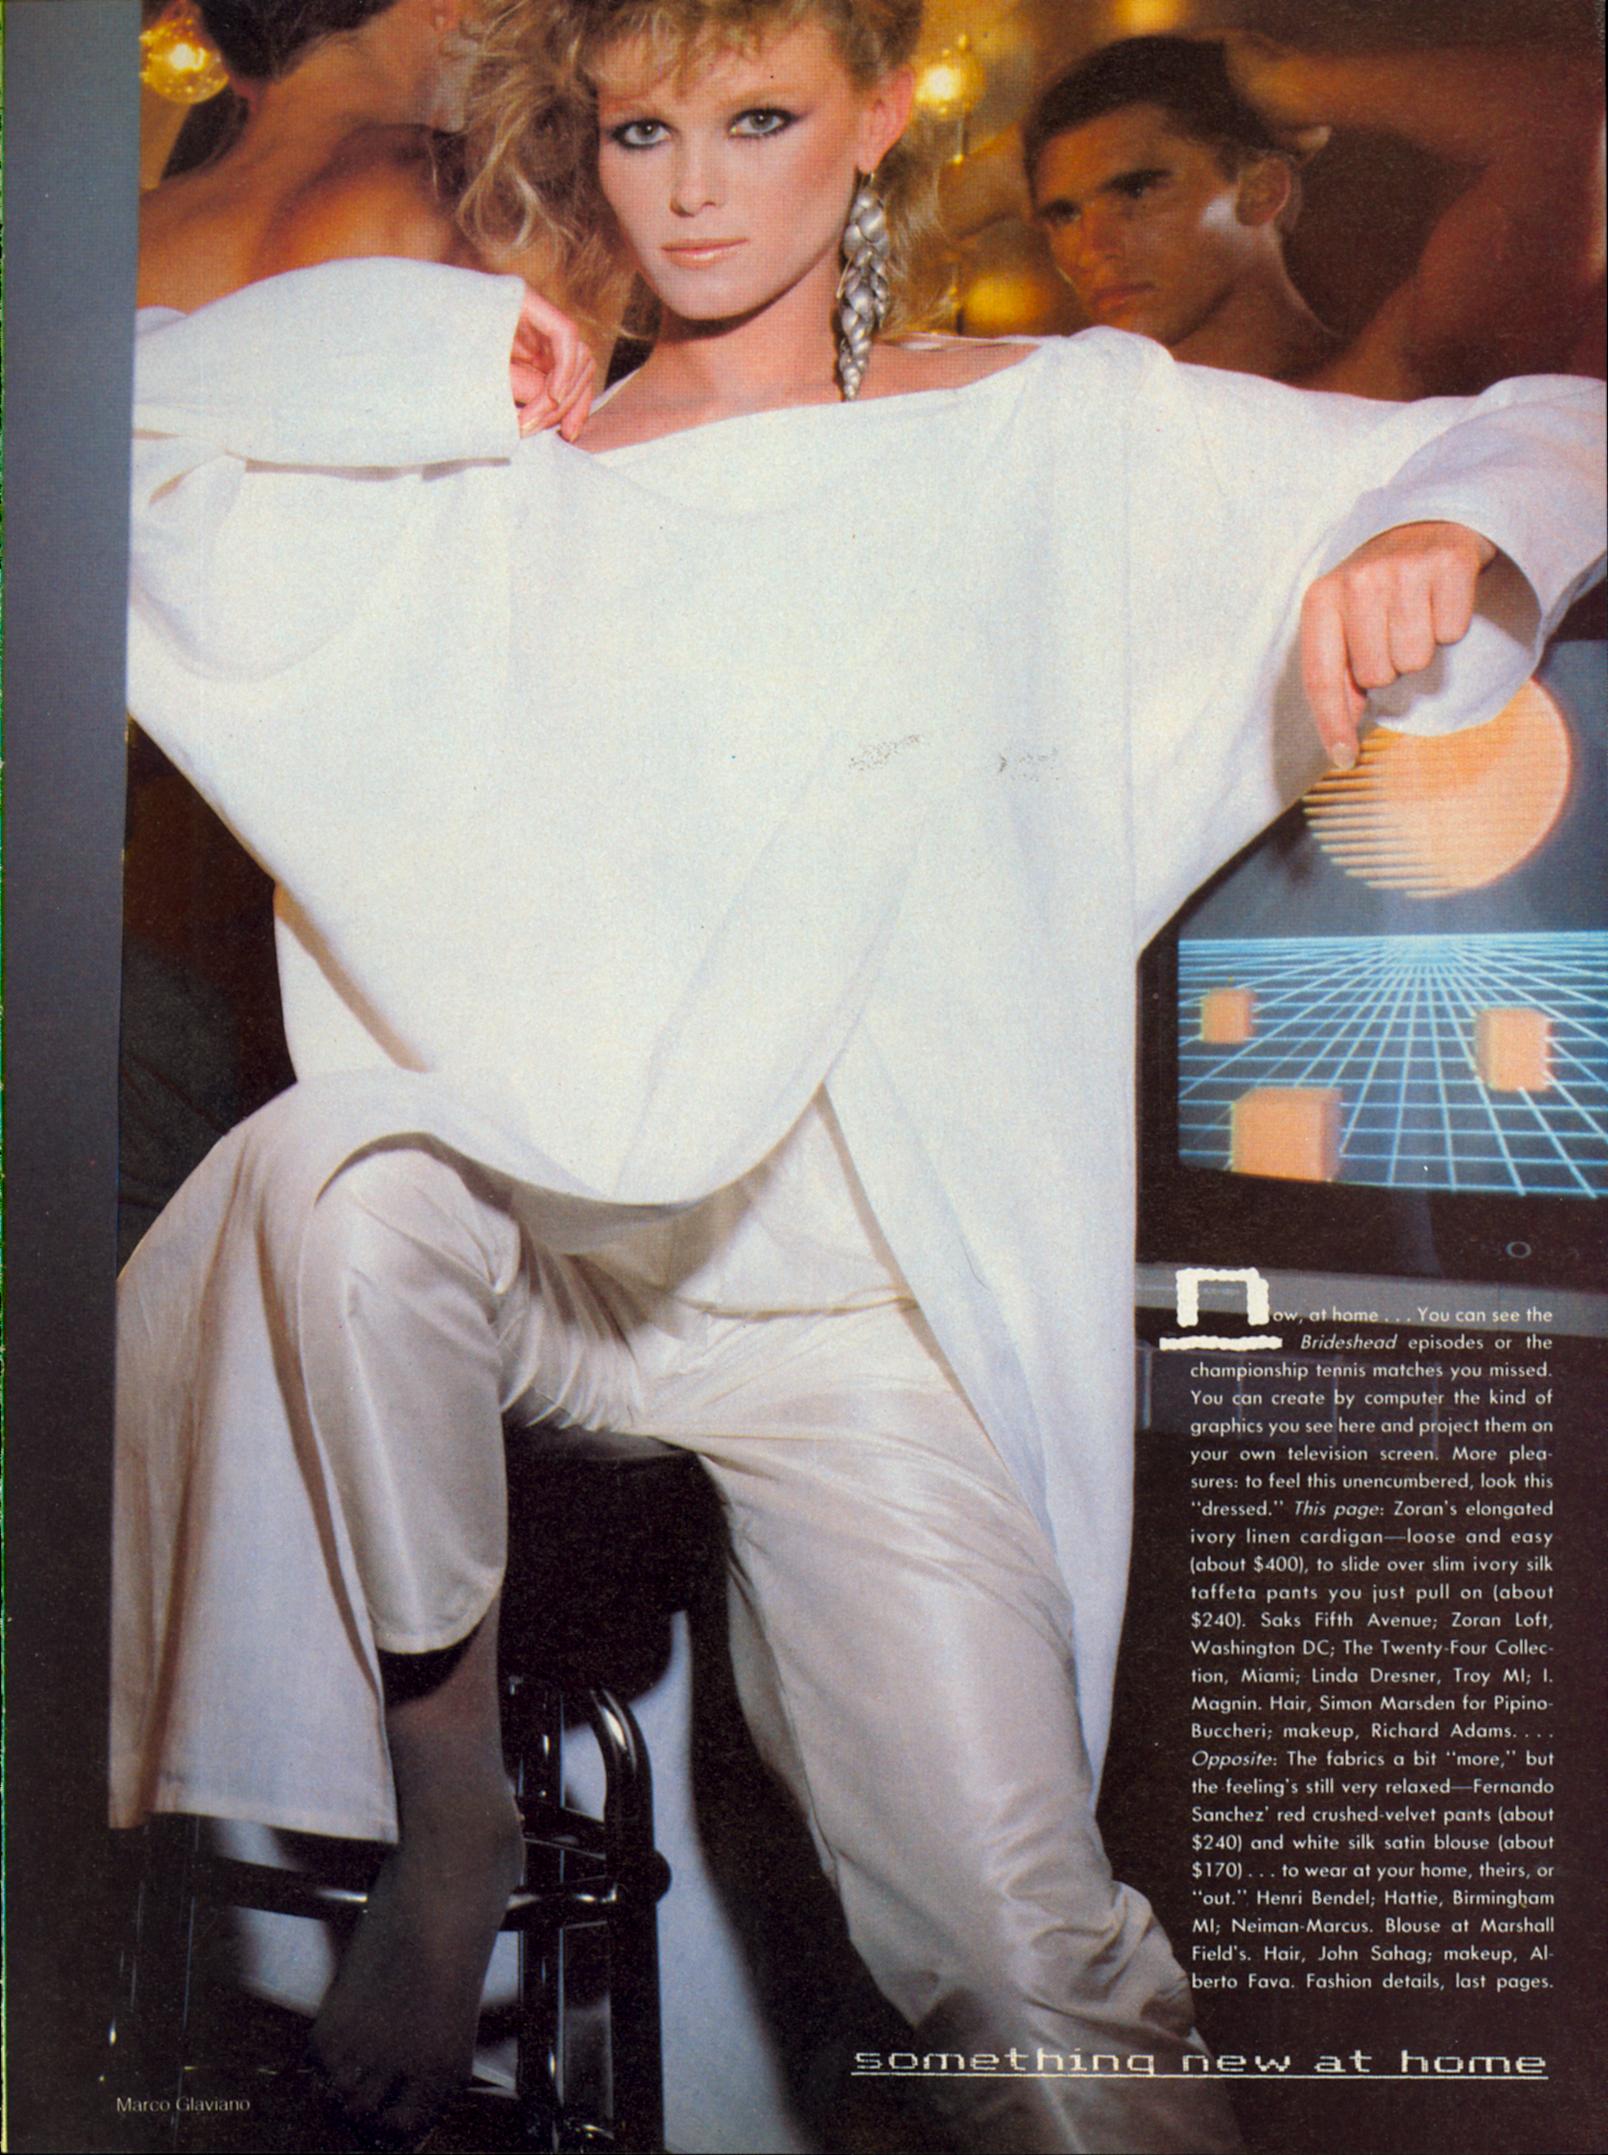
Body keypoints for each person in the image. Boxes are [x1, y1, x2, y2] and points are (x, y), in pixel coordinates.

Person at [115, 0, 1605, 2147]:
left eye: (758, 118)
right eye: (640, 132)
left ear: (882, 115)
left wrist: (1440, 536)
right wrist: (430, 358)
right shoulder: (502, 470)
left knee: (1026, 1974)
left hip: (868, 1316)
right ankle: (450, 1821)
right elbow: (117, 421)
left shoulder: (1053, 425)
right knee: (337, 1182)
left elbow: (1553, 418)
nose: (694, 192)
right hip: (561, 1251)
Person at [1015, 31, 1605, 395]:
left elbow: (1570, 119)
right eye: (1063, 215)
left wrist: (1287, 85)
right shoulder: (1079, 416)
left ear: (1261, 190)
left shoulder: (1384, 376)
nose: (1092, 247)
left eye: (1138, 191)